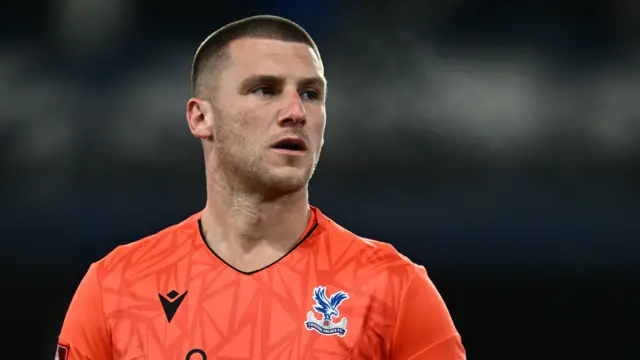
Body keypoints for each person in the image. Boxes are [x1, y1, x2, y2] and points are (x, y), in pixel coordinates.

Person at [56, 15, 466, 360]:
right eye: (264, 90)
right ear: (201, 118)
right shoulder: (115, 289)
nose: (295, 112)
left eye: (311, 93)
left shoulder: (394, 290)